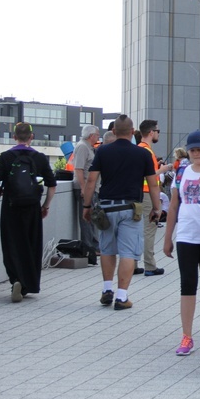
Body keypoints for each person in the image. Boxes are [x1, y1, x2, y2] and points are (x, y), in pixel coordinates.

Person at [82, 115, 161, 310]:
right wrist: (158, 208)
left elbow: (91, 180)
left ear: (114, 132)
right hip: (131, 209)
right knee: (127, 252)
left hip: (107, 207)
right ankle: (122, 297)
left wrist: (87, 206)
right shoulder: (142, 154)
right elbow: (153, 184)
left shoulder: (103, 151)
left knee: (108, 249)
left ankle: (106, 289)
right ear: (132, 131)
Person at [0, 122, 57, 303]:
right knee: (31, 245)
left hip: (11, 208)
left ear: (14, 137)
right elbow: (52, 184)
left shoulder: (5, 157)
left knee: (12, 245)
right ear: (31, 137)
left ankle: (16, 280)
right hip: (32, 208)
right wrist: (45, 206)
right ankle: (28, 283)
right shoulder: (40, 158)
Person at [163, 130, 200, 356]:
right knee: (188, 285)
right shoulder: (182, 171)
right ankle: (187, 335)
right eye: (192, 150)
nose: (196, 154)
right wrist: (167, 238)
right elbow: (174, 205)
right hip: (186, 235)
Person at [137, 120, 172, 276]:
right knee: (149, 229)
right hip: (147, 194)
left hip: (139, 193)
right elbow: (149, 176)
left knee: (137, 231)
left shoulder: (138, 149)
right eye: (158, 131)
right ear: (151, 132)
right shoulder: (148, 152)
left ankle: (132, 263)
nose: (158, 133)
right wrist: (162, 169)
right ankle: (150, 266)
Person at [72, 124, 100, 265]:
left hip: (92, 187)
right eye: (97, 134)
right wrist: (83, 188)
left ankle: (94, 246)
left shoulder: (89, 147)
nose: (98, 137)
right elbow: (78, 169)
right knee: (86, 219)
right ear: (91, 135)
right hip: (84, 188)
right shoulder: (82, 147)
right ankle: (89, 249)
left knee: (92, 219)